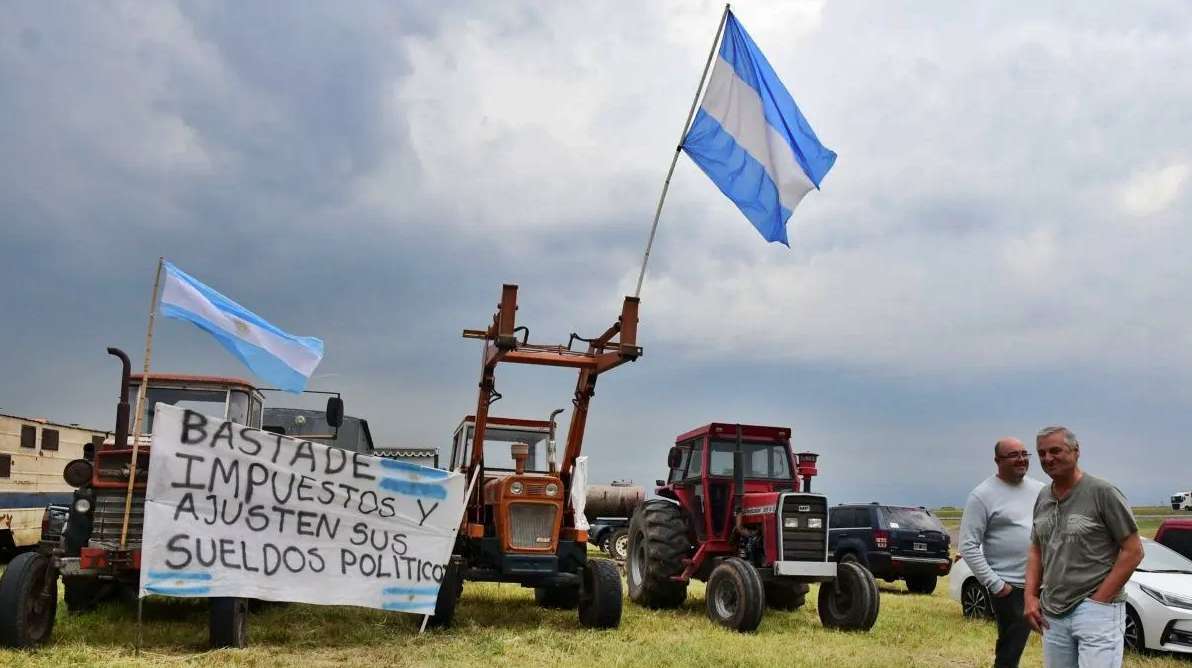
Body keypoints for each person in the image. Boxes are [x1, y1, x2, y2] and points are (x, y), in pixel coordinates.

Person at [1024, 426, 1143, 668]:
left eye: (1055, 450)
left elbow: (1133, 550)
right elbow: (1036, 549)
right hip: (1053, 612)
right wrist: (1030, 596)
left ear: (1076, 451)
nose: (1048, 458)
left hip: (1096, 609)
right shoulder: (1043, 497)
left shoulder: (1103, 492)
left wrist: (1099, 601)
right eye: (1042, 453)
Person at [959, 437, 1045, 668]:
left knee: (1059, 644)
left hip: (1046, 585)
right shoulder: (982, 495)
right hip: (1012, 589)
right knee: (1010, 653)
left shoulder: (1041, 490)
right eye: (1013, 455)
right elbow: (967, 545)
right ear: (997, 461)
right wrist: (997, 585)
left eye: (1025, 454)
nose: (1021, 460)